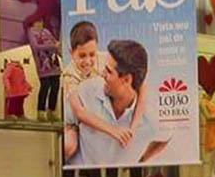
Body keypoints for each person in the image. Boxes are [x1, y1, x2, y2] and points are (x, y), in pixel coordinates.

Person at [65, 38, 169, 166]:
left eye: (108, 71)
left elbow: (165, 137)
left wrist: (141, 161)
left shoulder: (151, 116)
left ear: (126, 80)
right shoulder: (86, 90)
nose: (102, 74)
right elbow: (69, 121)